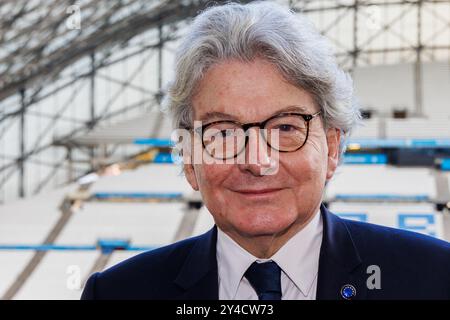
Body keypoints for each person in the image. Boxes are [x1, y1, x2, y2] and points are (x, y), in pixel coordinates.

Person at [81, 1, 450, 300]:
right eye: (223, 133)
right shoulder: (118, 293)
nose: (257, 161)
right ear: (190, 159)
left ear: (333, 146)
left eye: (286, 127)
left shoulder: (434, 279)